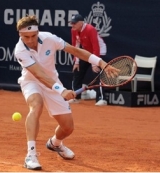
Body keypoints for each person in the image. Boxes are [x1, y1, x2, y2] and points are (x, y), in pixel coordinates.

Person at [14, 15, 119, 170]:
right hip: (32, 82)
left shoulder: (49, 38)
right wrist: (61, 90)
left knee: (68, 127)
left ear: (38, 32)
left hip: (53, 82)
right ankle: (31, 155)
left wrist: (102, 63)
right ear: (20, 35)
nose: (30, 40)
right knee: (36, 105)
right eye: (26, 37)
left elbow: (76, 50)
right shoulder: (20, 50)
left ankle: (55, 143)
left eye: (33, 36)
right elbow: (39, 75)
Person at [69, 14, 108, 106]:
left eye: (74, 23)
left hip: (99, 52)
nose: (72, 25)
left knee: (98, 74)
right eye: (71, 23)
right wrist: (77, 61)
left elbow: (96, 46)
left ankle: (102, 99)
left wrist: (95, 63)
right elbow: (76, 47)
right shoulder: (73, 30)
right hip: (86, 52)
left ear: (81, 23)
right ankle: (76, 97)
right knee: (77, 72)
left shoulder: (90, 29)